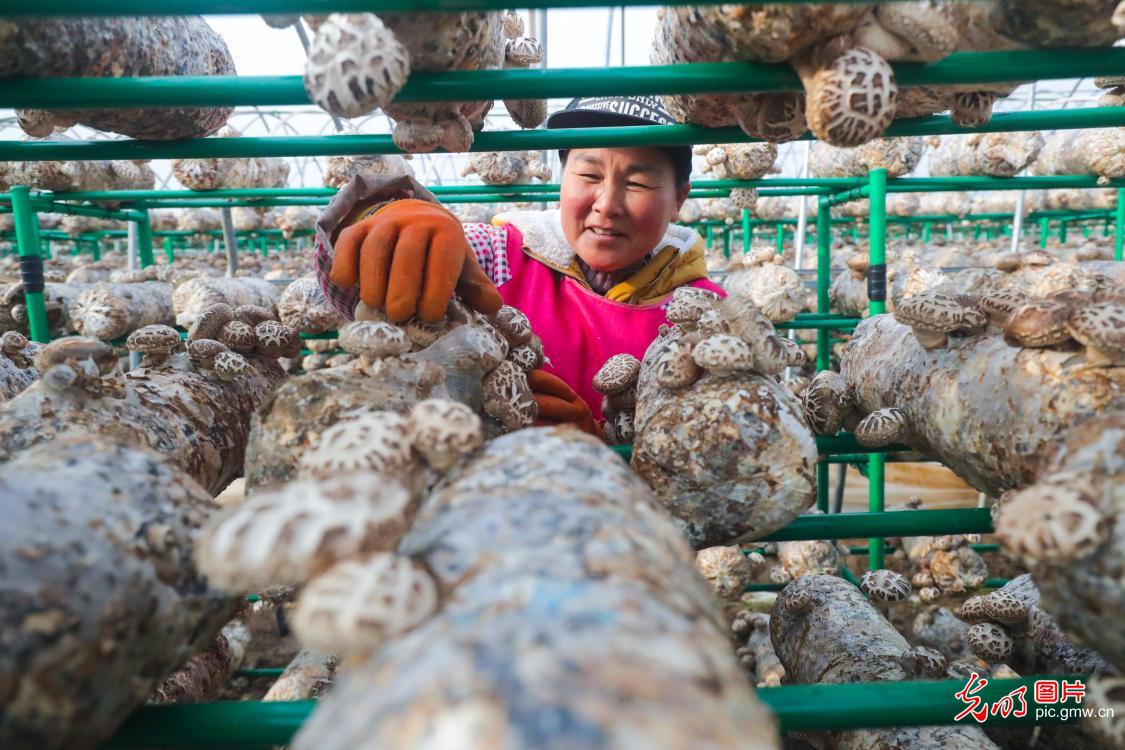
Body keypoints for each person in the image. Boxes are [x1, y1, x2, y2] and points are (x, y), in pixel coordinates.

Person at [315, 95, 725, 434]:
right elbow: (347, 294)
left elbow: (719, 455)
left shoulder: (708, 315)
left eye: (637, 183)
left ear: (679, 199)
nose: (606, 204)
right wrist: (380, 213)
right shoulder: (502, 255)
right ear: (562, 178)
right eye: (588, 174)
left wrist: (611, 453)